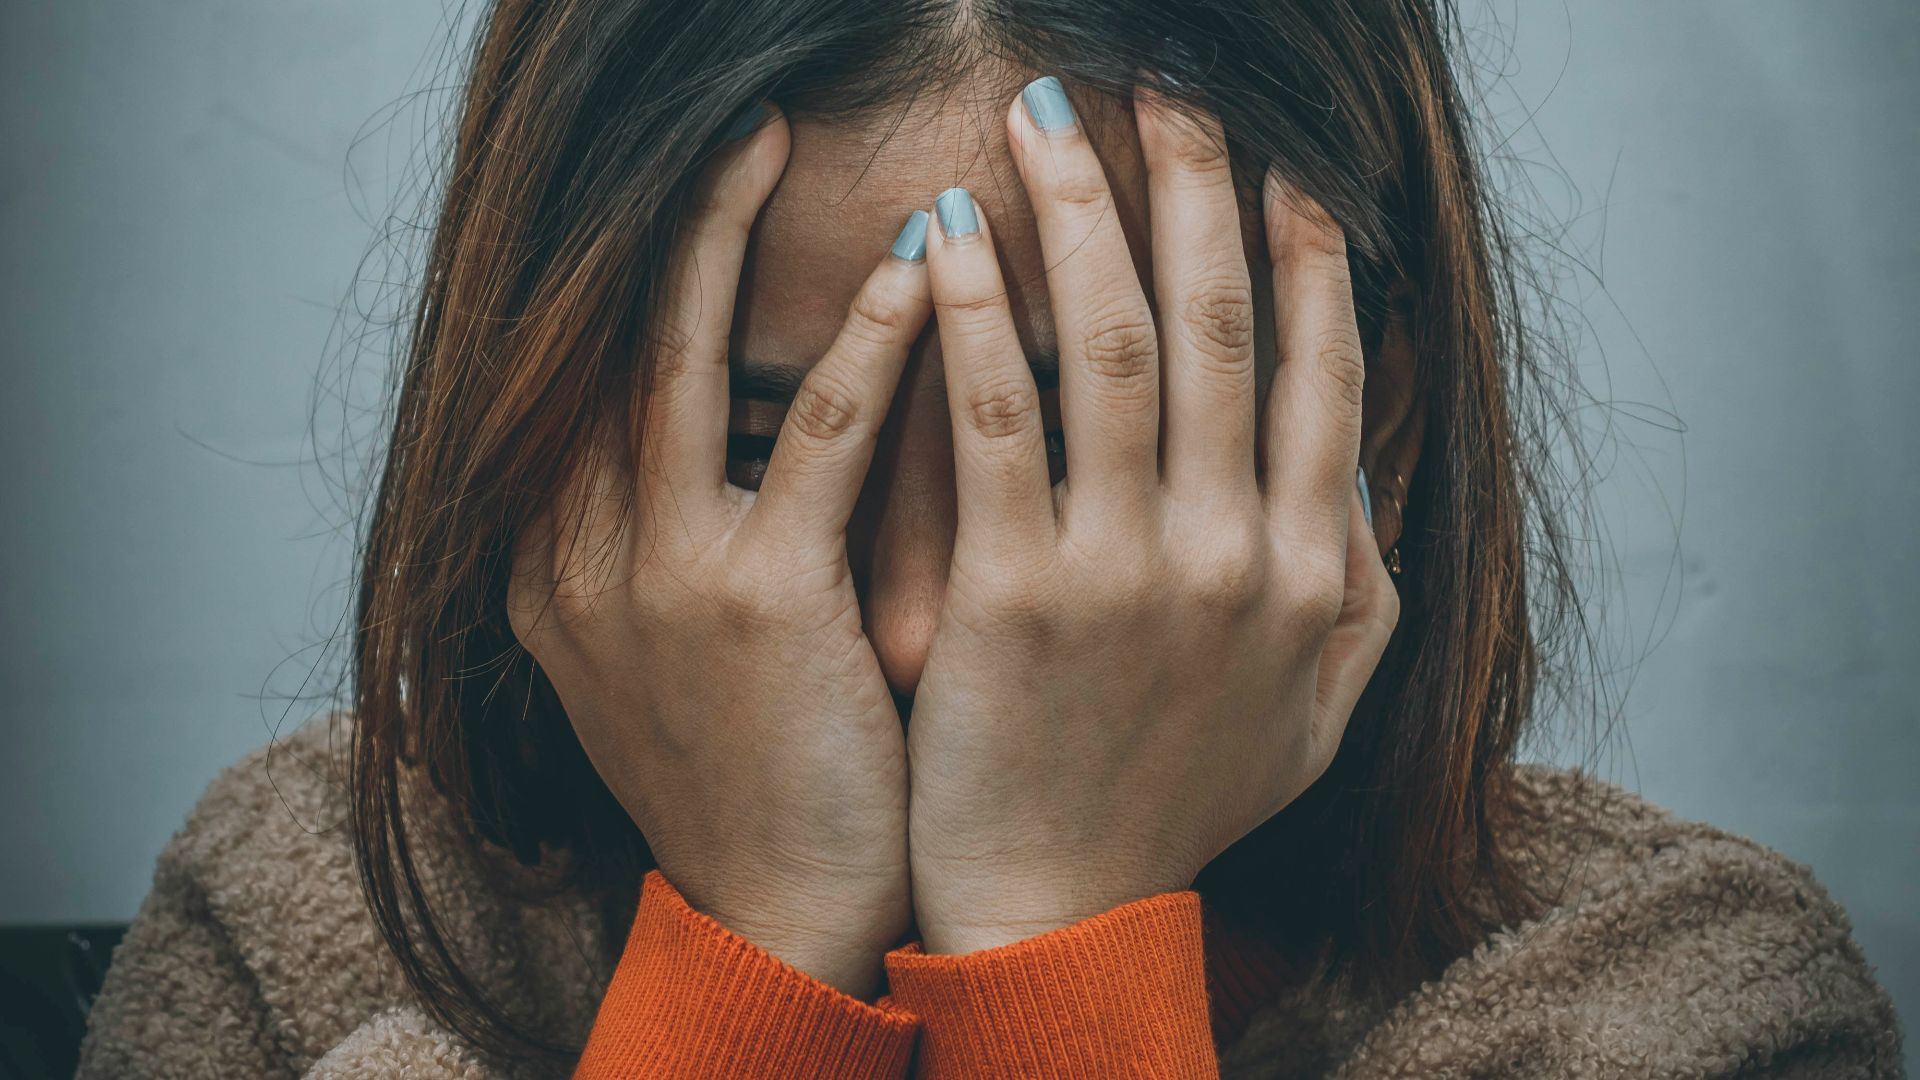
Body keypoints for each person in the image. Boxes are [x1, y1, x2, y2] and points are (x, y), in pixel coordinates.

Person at [77, 0, 1905, 1076]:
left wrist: (1062, 940)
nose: (910, 627)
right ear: (538, 420)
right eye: (763, 450)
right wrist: (757, 957)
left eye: (1090, 461)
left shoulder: (1682, 1004)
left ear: (1376, 417)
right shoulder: (304, 928)